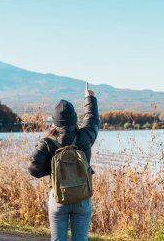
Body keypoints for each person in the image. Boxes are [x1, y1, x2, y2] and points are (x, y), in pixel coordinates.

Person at [28, 83, 100, 241]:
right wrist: (90, 97)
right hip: (82, 197)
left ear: (54, 122)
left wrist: (53, 170)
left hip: (58, 197)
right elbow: (93, 120)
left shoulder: (47, 142)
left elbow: (33, 168)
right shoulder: (85, 136)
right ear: (75, 119)